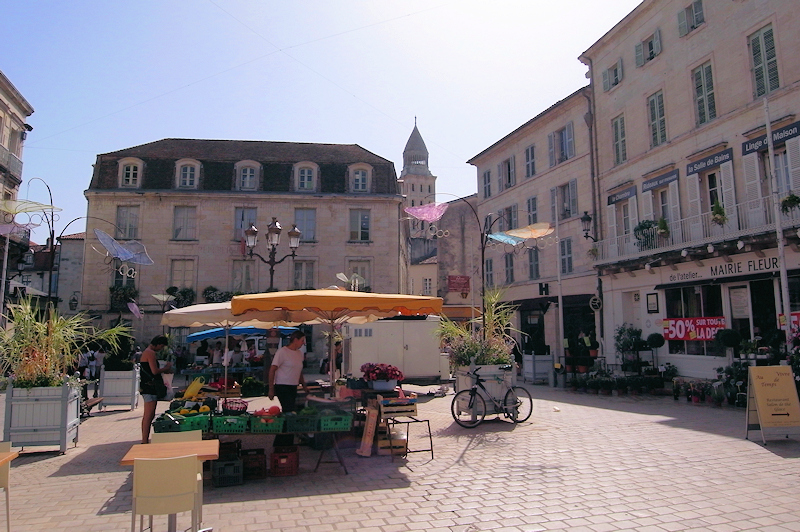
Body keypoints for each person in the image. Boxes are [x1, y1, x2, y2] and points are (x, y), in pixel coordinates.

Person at [269, 331, 310, 447]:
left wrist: (304, 385)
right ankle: (282, 443)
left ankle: (284, 441)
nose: (303, 343)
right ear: (295, 340)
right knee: (289, 413)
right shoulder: (282, 352)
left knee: (290, 414)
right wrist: (271, 389)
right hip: (282, 386)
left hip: (293, 386)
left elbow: (299, 371)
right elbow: (272, 370)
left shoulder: (299, 354)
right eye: (302, 340)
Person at [139, 335, 172, 444]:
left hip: (147, 386)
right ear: (157, 344)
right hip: (149, 387)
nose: (161, 349)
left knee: (149, 414)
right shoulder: (150, 353)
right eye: (161, 346)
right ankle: (144, 440)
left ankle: (145, 439)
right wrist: (166, 368)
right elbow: (154, 371)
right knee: (149, 415)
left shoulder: (147, 352)